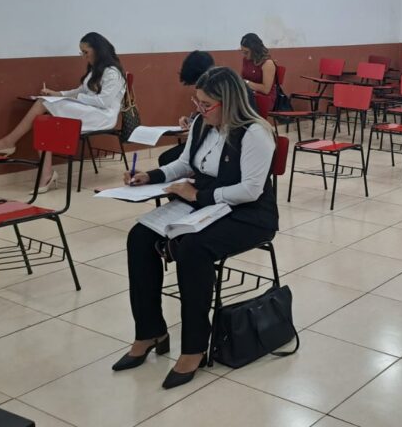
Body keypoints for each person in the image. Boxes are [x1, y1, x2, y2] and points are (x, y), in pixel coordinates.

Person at [113, 66, 279, 389]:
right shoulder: (203, 124)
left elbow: (250, 190)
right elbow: (185, 164)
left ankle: (194, 346)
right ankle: (149, 332)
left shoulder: (255, 133)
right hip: (207, 204)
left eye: (206, 105)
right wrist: (151, 176)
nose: (199, 110)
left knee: (192, 248)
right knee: (140, 237)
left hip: (248, 215)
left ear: (229, 102)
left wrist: (199, 196)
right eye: (197, 102)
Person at [0, 32, 125, 192]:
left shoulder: (112, 73)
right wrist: (57, 94)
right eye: (81, 52)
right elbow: (80, 90)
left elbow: (103, 102)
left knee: (42, 103)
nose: (83, 56)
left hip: (102, 116)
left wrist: (74, 98)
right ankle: (46, 174)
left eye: (86, 52)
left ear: (98, 50)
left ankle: (8, 142)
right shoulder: (95, 69)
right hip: (90, 111)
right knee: (43, 122)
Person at [157, 51, 215, 167]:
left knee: (167, 160)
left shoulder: (217, 91)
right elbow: (202, 116)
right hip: (202, 138)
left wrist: (195, 131)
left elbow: (216, 126)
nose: (197, 87)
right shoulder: (207, 87)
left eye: (196, 82)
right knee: (165, 159)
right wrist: (191, 121)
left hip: (212, 142)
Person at [240, 33, 278, 117]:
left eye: (246, 52)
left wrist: (246, 83)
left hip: (264, 98)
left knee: (238, 104)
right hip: (250, 94)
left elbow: (266, 89)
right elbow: (242, 78)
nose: (244, 55)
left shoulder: (267, 63)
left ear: (254, 50)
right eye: (242, 52)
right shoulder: (246, 60)